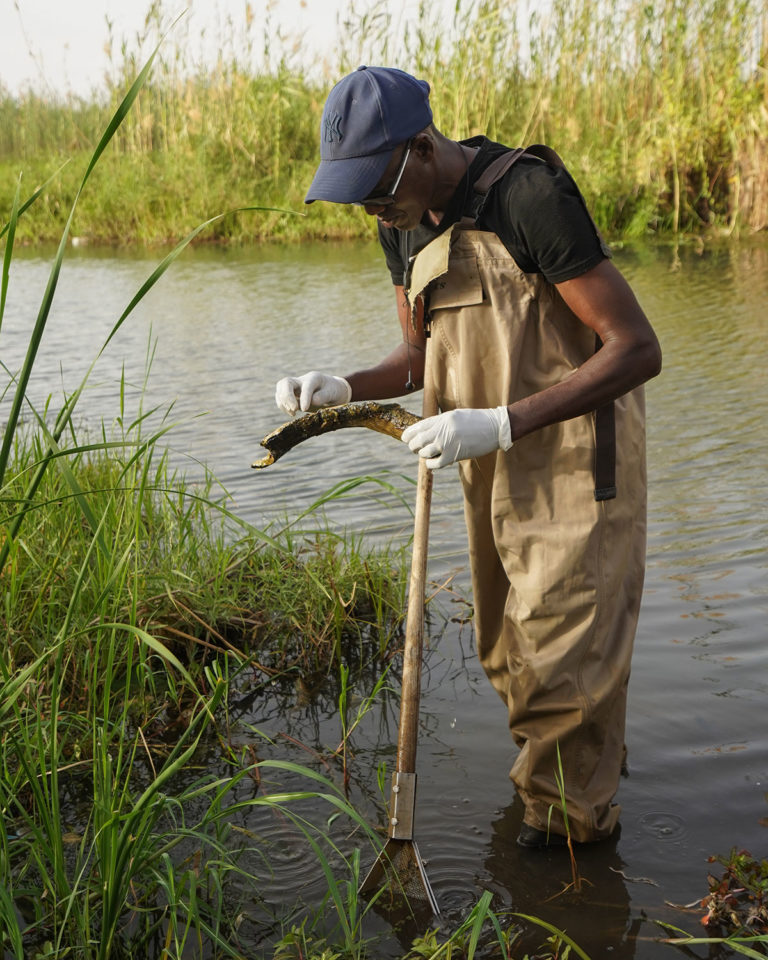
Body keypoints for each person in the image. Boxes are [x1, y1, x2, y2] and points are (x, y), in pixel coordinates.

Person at [275, 65, 661, 848]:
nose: (375, 213)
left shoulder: (527, 196)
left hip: (577, 466)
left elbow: (635, 348)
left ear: (421, 147)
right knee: (510, 652)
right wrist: (343, 385)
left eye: (379, 192)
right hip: (486, 461)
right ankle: (576, 788)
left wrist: (503, 423)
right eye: (362, 200)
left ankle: (572, 845)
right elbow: (418, 359)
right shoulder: (402, 221)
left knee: (565, 663)